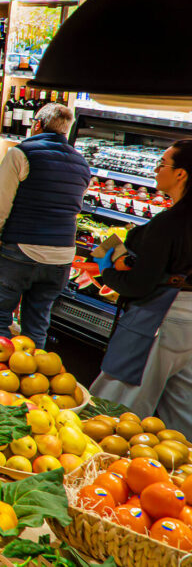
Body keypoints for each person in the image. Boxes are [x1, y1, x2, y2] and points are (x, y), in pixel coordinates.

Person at [0, 103, 91, 348]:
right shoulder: (81, 163)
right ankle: (32, 378)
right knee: (37, 323)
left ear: (37, 125)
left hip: (23, 252)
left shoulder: (21, 153)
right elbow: (61, 206)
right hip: (62, 258)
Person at [89, 140, 192, 436]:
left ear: (181, 174)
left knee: (115, 406)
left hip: (161, 318)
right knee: (182, 412)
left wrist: (107, 269)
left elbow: (139, 284)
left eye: (162, 164)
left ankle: (95, 469)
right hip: (187, 323)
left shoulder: (169, 223)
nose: (156, 170)